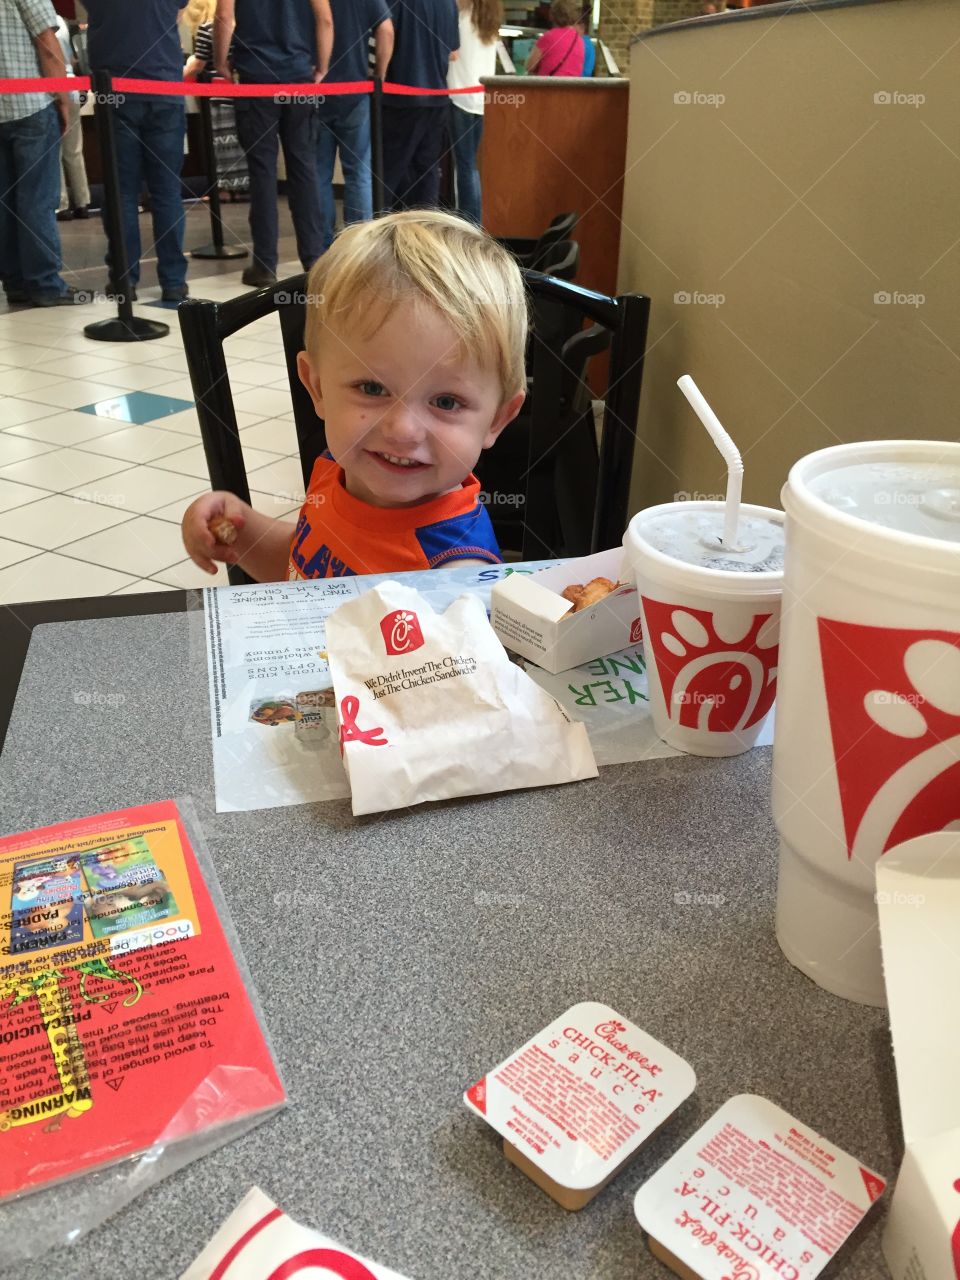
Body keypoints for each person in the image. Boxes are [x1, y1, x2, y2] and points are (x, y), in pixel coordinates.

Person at [181, 211, 527, 582]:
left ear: (496, 419)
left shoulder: (454, 576)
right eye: (372, 388)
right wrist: (245, 533)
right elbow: (306, 570)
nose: (403, 430)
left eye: (445, 402)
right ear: (315, 387)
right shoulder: (339, 470)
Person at [214, 0, 333, 289]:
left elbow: (224, 16)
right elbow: (325, 20)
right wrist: (321, 66)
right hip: (298, 78)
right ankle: (314, 258)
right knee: (303, 168)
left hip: (256, 79)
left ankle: (265, 265)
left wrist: (220, 63)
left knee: (262, 172)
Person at [83, 0, 190, 303]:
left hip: (116, 89)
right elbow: (179, 12)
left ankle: (124, 281)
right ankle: (174, 282)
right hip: (165, 87)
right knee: (167, 192)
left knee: (121, 194)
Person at [0, 0, 89, 306]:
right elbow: (47, 42)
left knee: (5, 202)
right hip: (30, 105)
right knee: (37, 200)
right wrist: (62, 98)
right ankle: (45, 284)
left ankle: (14, 282)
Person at [316, 0, 393, 253]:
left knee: (319, 175)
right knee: (358, 172)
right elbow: (386, 30)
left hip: (314, 91)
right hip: (356, 91)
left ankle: (323, 246)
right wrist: (379, 75)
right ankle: (359, 247)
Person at [382, 0, 459, 212]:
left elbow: (384, 35)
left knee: (387, 175)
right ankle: (425, 232)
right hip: (437, 97)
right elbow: (453, 52)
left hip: (401, 97)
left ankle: (382, 233)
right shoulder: (448, 3)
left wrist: (379, 76)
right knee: (427, 173)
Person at [447, 0, 500, 226]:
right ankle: (473, 221)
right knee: (471, 166)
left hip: (459, 97)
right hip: (481, 99)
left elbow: (451, 54)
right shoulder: (490, 23)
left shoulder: (461, 19)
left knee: (465, 166)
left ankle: (469, 223)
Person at [54, 13, 91, 220]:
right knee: (75, 150)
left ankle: (61, 204)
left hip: (52, 86)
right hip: (73, 84)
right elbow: (74, 58)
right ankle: (82, 202)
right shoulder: (63, 21)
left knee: (54, 151)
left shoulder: (37, 20)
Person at [526, 0, 585, 77]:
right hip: (573, 87)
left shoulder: (548, 37)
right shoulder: (579, 40)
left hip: (549, 87)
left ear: (552, 15)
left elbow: (530, 66)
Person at [576, 6, 595, 76]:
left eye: (572, 23)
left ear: (581, 26)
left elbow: (586, 72)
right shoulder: (588, 43)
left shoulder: (583, 44)